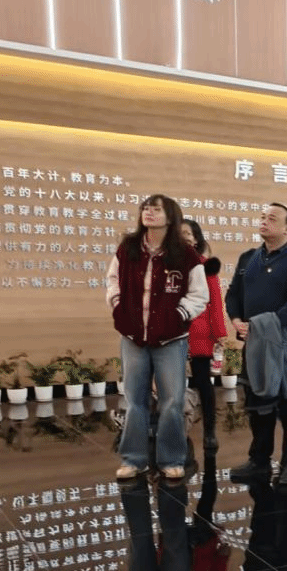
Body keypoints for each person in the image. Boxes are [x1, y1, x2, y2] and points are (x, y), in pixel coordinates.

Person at [107, 194, 209, 481]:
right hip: (133, 337)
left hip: (171, 340)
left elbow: (199, 294)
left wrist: (178, 315)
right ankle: (133, 459)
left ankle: (171, 459)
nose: (149, 213)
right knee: (134, 400)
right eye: (146, 208)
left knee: (172, 401)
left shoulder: (185, 254)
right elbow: (112, 280)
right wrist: (118, 305)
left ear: (170, 216)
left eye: (156, 209)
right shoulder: (128, 248)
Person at [224, 202, 287, 487]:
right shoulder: (248, 258)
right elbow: (233, 295)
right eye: (262, 217)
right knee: (257, 403)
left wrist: (260, 325)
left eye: (272, 218)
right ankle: (259, 460)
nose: (264, 221)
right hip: (254, 344)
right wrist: (237, 320)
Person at [180, 218, 227, 453]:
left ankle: (210, 431)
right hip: (172, 332)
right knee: (170, 383)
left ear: (196, 239)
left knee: (203, 383)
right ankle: (175, 430)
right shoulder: (164, 265)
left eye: (188, 233)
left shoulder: (206, 266)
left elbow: (215, 302)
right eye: (178, 233)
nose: (184, 237)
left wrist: (219, 333)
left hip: (199, 332)